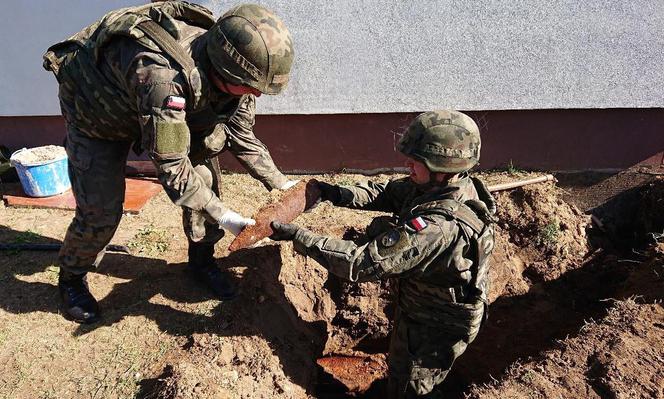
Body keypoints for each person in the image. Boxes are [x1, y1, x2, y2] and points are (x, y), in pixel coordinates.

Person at [42, 1, 297, 324]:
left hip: (157, 108)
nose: (255, 95)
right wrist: (225, 215)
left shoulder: (241, 73)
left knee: (203, 174)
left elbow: (240, 134)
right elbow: (173, 168)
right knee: (101, 211)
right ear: (222, 68)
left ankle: (202, 260)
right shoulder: (162, 78)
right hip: (98, 117)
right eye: (249, 87)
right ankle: (72, 278)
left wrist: (282, 184)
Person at [270, 110, 497, 398]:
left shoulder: (436, 228)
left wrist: (299, 236)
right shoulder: (445, 186)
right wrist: (335, 193)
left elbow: (360, 263)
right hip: (423, 308)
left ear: (442, 167)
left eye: (416, 161)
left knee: (411, 387)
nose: (408, 165)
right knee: (402, 372)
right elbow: (387, 193)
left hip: (434, 327)